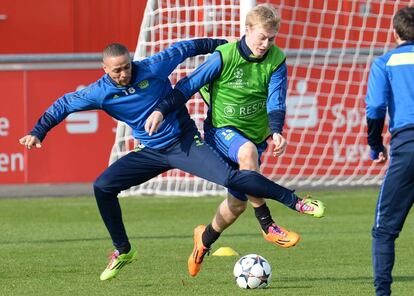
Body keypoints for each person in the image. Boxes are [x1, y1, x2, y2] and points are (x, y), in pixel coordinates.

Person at [20, 39, 321, 281]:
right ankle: (123, 250)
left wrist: (225, 45)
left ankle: (293, 201)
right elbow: (63, 105)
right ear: (104, 70)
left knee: (233, 181)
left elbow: (188, 48)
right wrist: (38, 131)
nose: (123, 74)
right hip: (150, 152)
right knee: (102, 186)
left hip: (185, 144)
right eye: (116, 71)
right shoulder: (99, 92)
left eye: (126, 67)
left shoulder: (152, 66)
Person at [145, 4, 325, 277]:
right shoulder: (224, 57)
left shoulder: (276, 59)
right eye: (262, 37)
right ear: (247, 30)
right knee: (247, 153)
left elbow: (277, 100)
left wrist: (276, 130)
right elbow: (186, 86)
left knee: (236, 205)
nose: (266, 44)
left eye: (272, 38)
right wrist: (160, 109)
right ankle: (268, 225)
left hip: (256, 132)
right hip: (221, 131)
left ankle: (202, 242)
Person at [365, 6, 414, 296]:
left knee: (384, 230)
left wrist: (375, 144)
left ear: (394, 33)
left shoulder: (385, 62)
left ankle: (382, 293)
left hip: (407, 148)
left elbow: (375, 107)